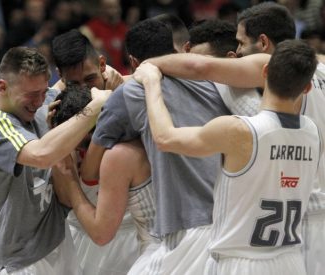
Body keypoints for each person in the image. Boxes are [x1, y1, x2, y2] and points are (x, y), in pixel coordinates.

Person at [141, 4, 324, 273]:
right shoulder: (315, 81)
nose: (236, 54)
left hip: (259, 247)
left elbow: (199, 66)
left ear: (264, 48)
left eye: (240, 43)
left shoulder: (244, 126)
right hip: (299, 234)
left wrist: (147, 69)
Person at [85, 17, 232, 274]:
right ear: (176, 49)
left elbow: (89, 172)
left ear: (132, 61)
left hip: (186, 228)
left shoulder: (128, 95)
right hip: (231, 222)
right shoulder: (214, 83)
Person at [0, 46, 110, 275]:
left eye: (43, 92)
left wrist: (114, 76)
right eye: (32, 95)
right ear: (2, 87)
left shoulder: (45, 100)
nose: (39, 101)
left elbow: (75, 85)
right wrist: (95, 107)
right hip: (20, 259)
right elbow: (41, 155)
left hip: (58, 243)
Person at [50, 28, 140, 275]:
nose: (85, 91)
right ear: (60, 77)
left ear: (102, 64)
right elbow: (64, 196)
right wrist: (56, 140)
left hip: (133, 234)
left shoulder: (132, 91)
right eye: (74, 83)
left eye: (90, 80)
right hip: (82, 235)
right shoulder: (50, 108)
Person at [51, 84, 158, 255]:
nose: (84, 152)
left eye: (87, 144)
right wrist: (56, 140)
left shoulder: (119, 154)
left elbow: (101, 233)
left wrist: (71, 182)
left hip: (148, 243)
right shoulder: (146, 119)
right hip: (136, 239)